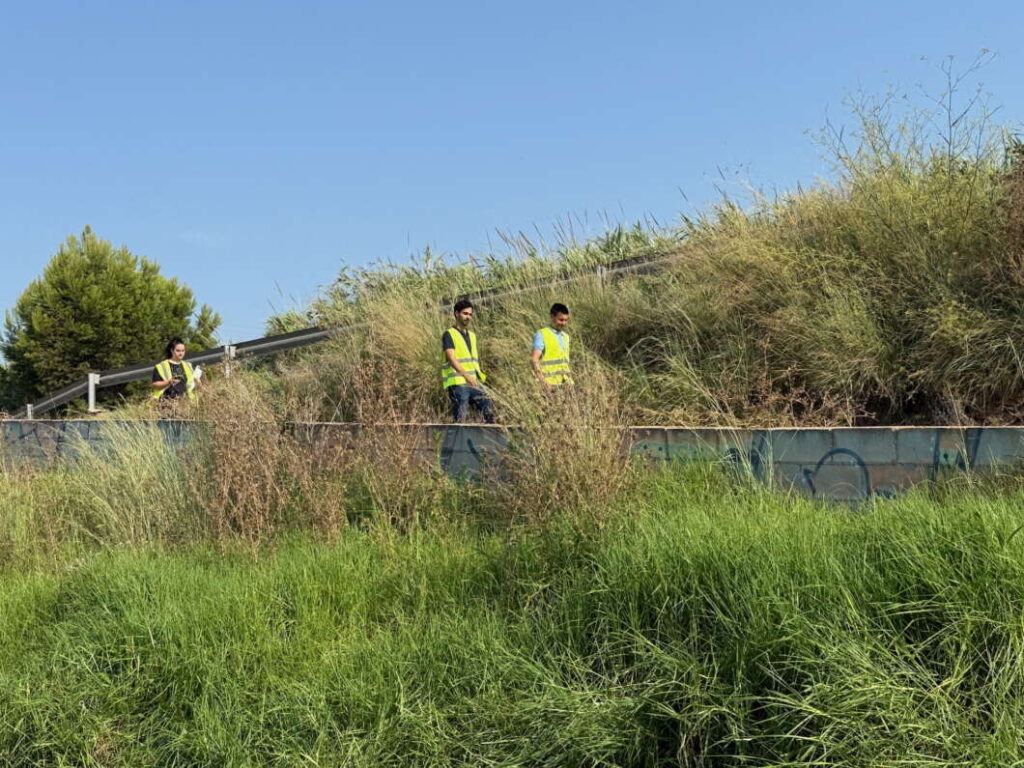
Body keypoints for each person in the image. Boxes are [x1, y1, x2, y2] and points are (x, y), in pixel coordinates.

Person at [441, 300, 495, 423]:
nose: (468, 317)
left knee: (489, 410)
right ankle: (457, 441)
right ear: (456, 314)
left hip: (474, 382)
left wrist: (475, 378)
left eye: (470, 314)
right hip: (459, 383)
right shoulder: (449, 334)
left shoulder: (472, 335)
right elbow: (452, 358)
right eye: (465, 313)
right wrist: (467, 377)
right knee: (461, 418)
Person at [531, 303, 573, 390]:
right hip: (549, 385)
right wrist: (543, 383)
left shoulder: (566, 337)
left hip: (566, 383)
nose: (564, 323)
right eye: (561, 320)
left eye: (566, 320)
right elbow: (534, 360)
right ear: (552, 317)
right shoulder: (542, 334)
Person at [151, 338, 199, 404]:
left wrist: (198, 382)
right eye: (178, 351)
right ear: (172, 350)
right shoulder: (161, 366)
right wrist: (169, 382)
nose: (181, 353)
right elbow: (155, 385)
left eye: (183, 351)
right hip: (166, 402)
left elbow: (191, 385)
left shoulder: (188, 365)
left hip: (186, 402)